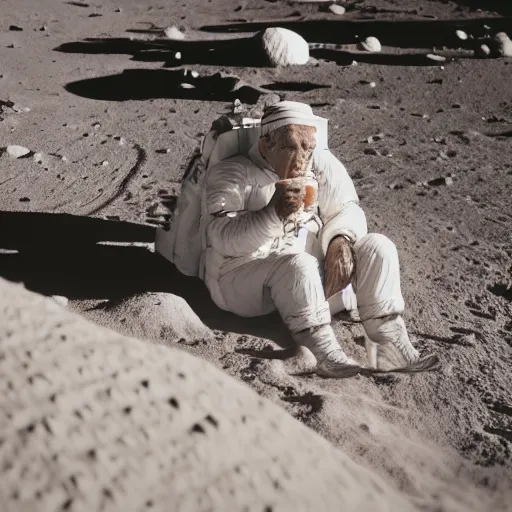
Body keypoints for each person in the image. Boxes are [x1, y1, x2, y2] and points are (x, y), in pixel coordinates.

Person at [201, 101, 439, 378]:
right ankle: (322, 350)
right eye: (292, 147)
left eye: (308, 147)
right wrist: (271, 215)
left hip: (317, 280)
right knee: (298, 265)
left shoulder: (320, 164)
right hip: (246, 282)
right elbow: (221, 237)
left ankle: (390, 348)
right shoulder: (233, 173)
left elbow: (347, 208)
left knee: (378, 247)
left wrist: (340, 239)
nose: (302, 158)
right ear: (266, 146)